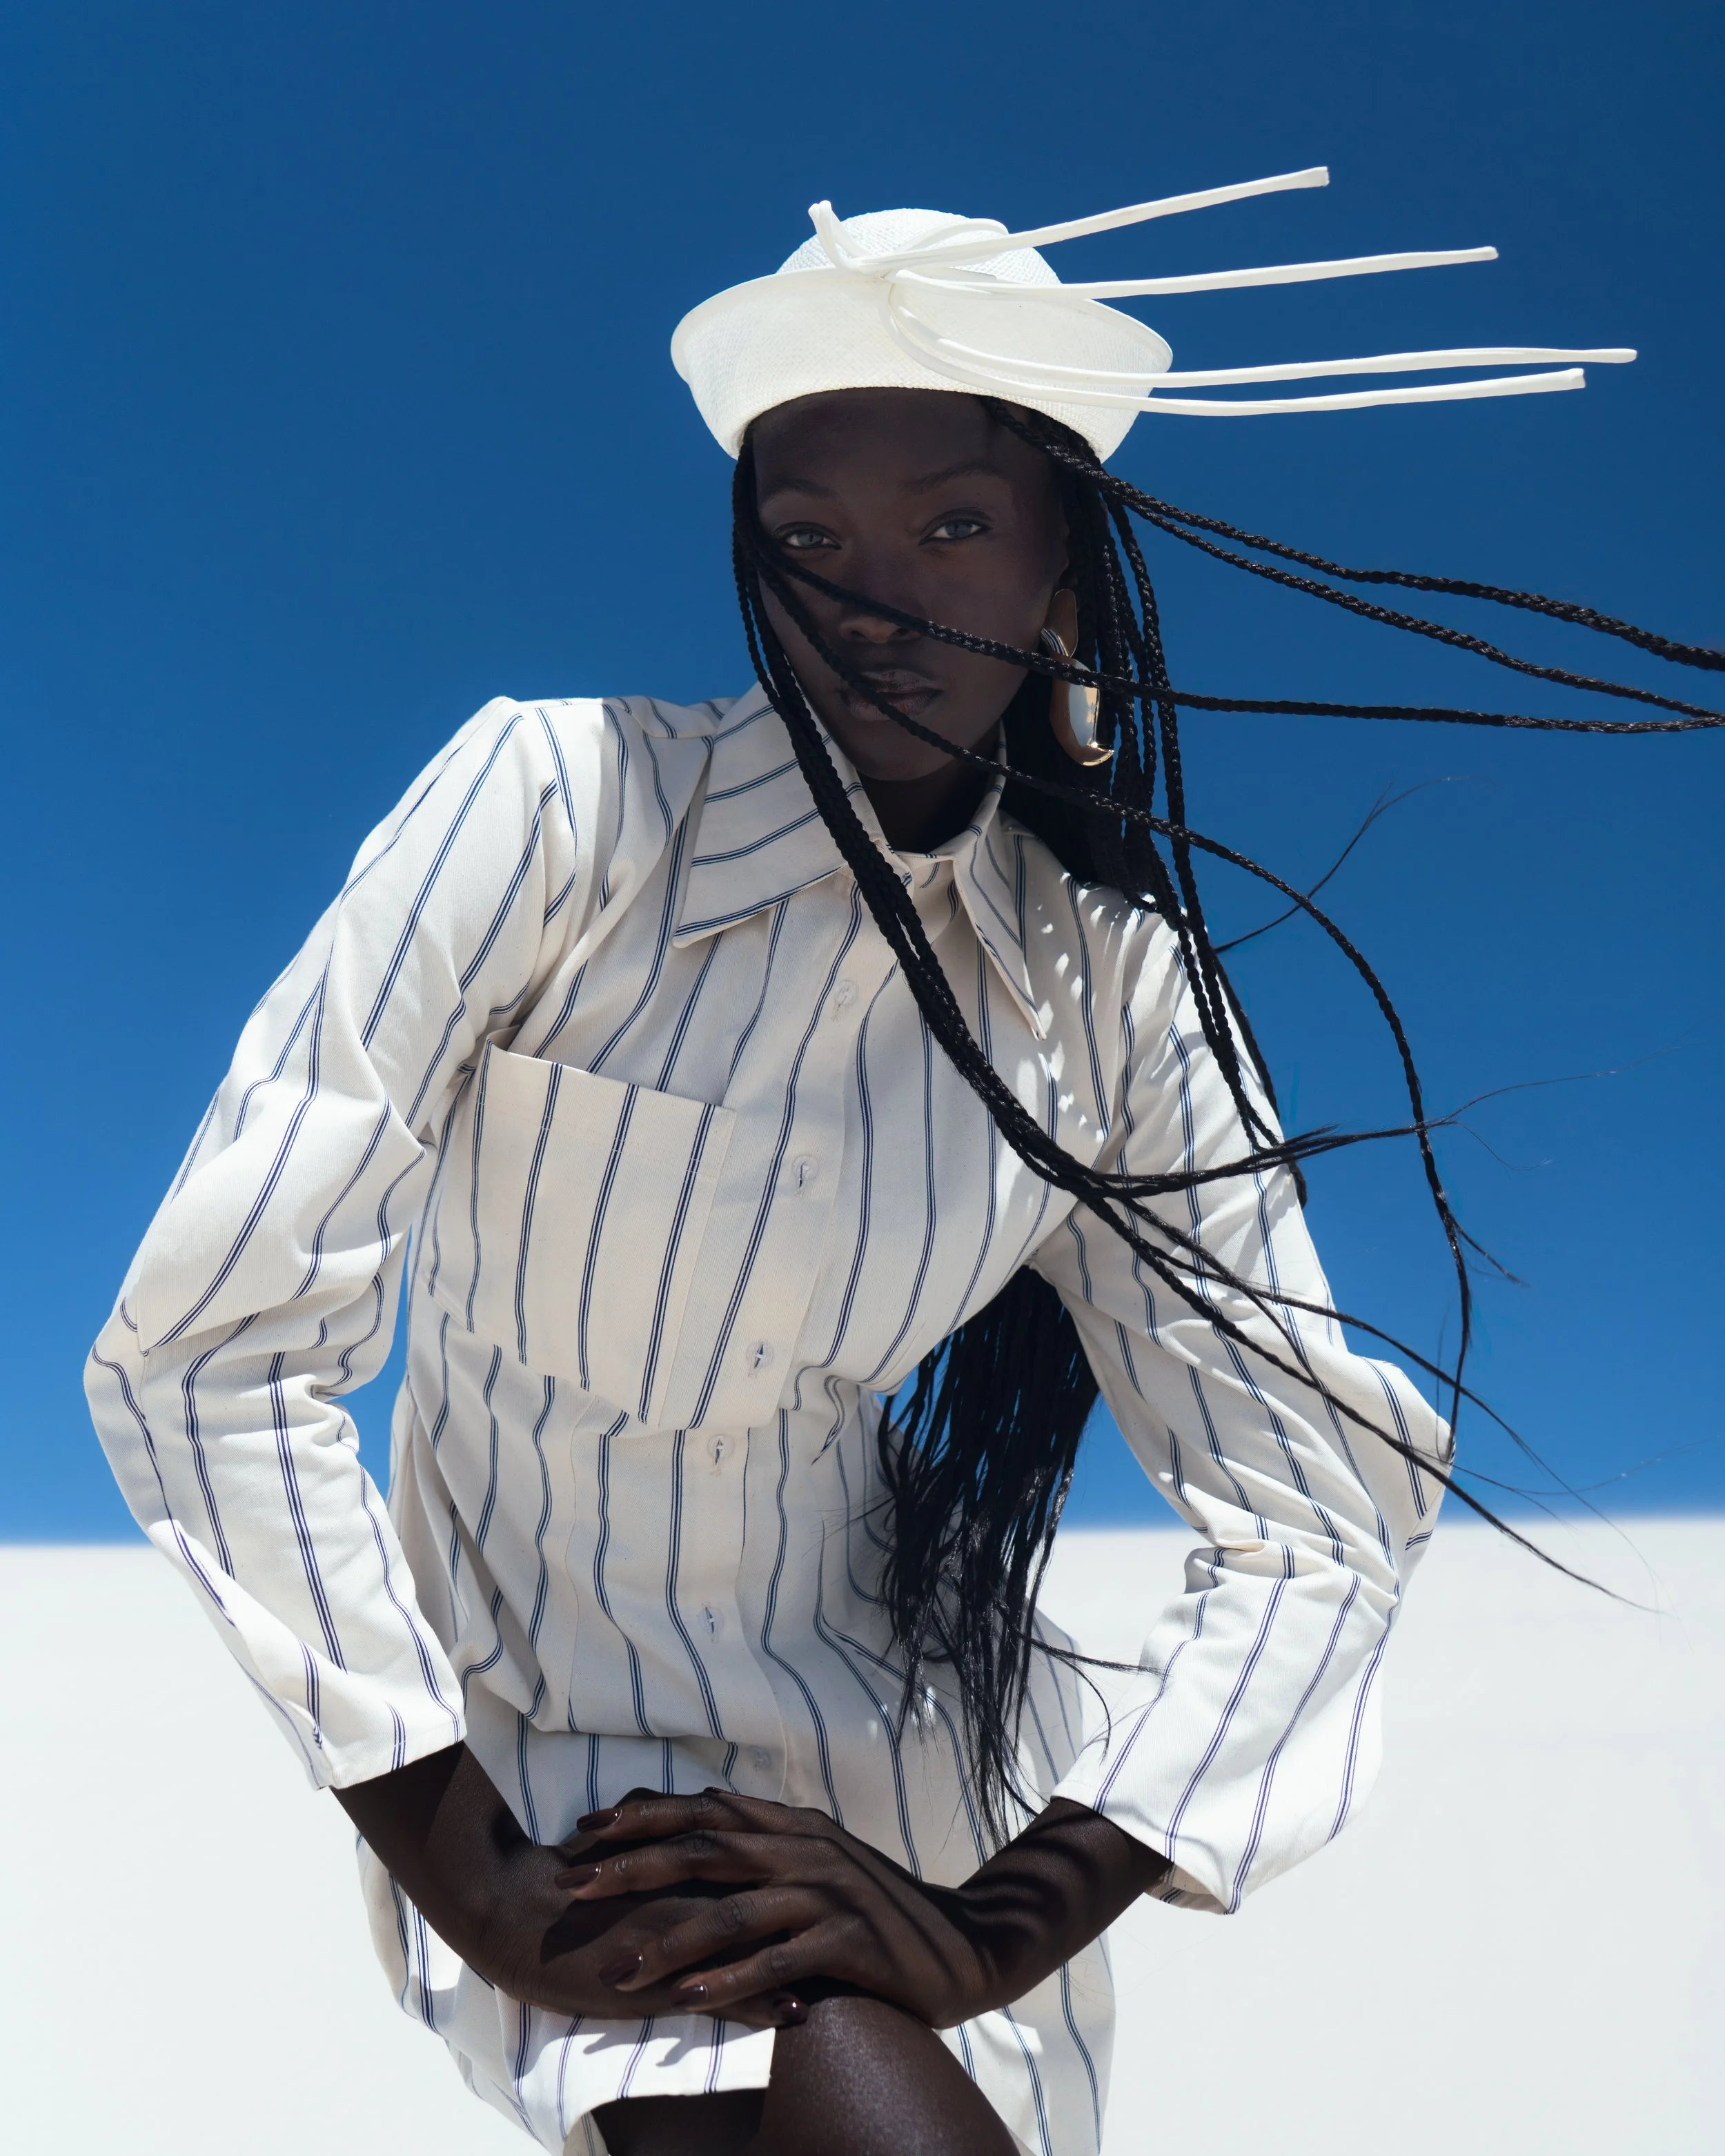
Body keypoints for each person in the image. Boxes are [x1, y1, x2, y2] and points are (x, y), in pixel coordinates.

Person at [85, 172, 1719, 2156]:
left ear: (1059, 563)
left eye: (953, 525)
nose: (876, 596)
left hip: (908, 1785)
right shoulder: (563, 810)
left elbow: (1320, 1502)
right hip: (552, 1757)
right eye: (808, 538)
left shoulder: (1106, 984)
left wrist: (1004, 1916)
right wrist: (468, 1866)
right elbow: (212, 1350)